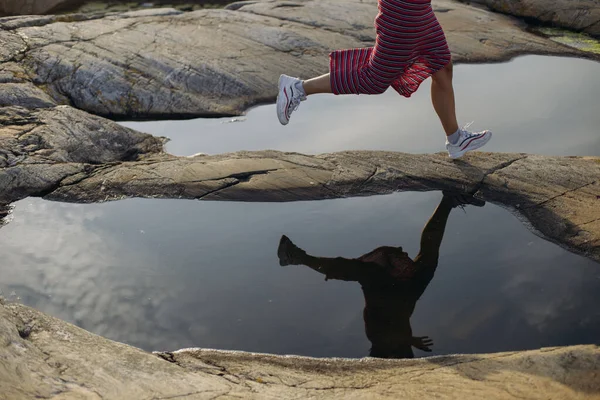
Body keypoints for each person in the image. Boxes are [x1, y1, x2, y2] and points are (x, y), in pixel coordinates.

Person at [277, 192, 484, 358]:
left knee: (363, 270)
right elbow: (399, 337)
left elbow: (389, 331)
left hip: (386, 293)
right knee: (429, 257)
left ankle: (297, 257)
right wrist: (410, 342)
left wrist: (407, 342)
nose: (405, 354)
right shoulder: (395, 348)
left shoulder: (377, 339)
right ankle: (448, 200)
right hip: (406, 295)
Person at [276, 0, 491, 159]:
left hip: (420, 10)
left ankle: (456, 141)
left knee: (442, 66)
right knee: (374, 79)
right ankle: (297, 89)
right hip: (403, 13)